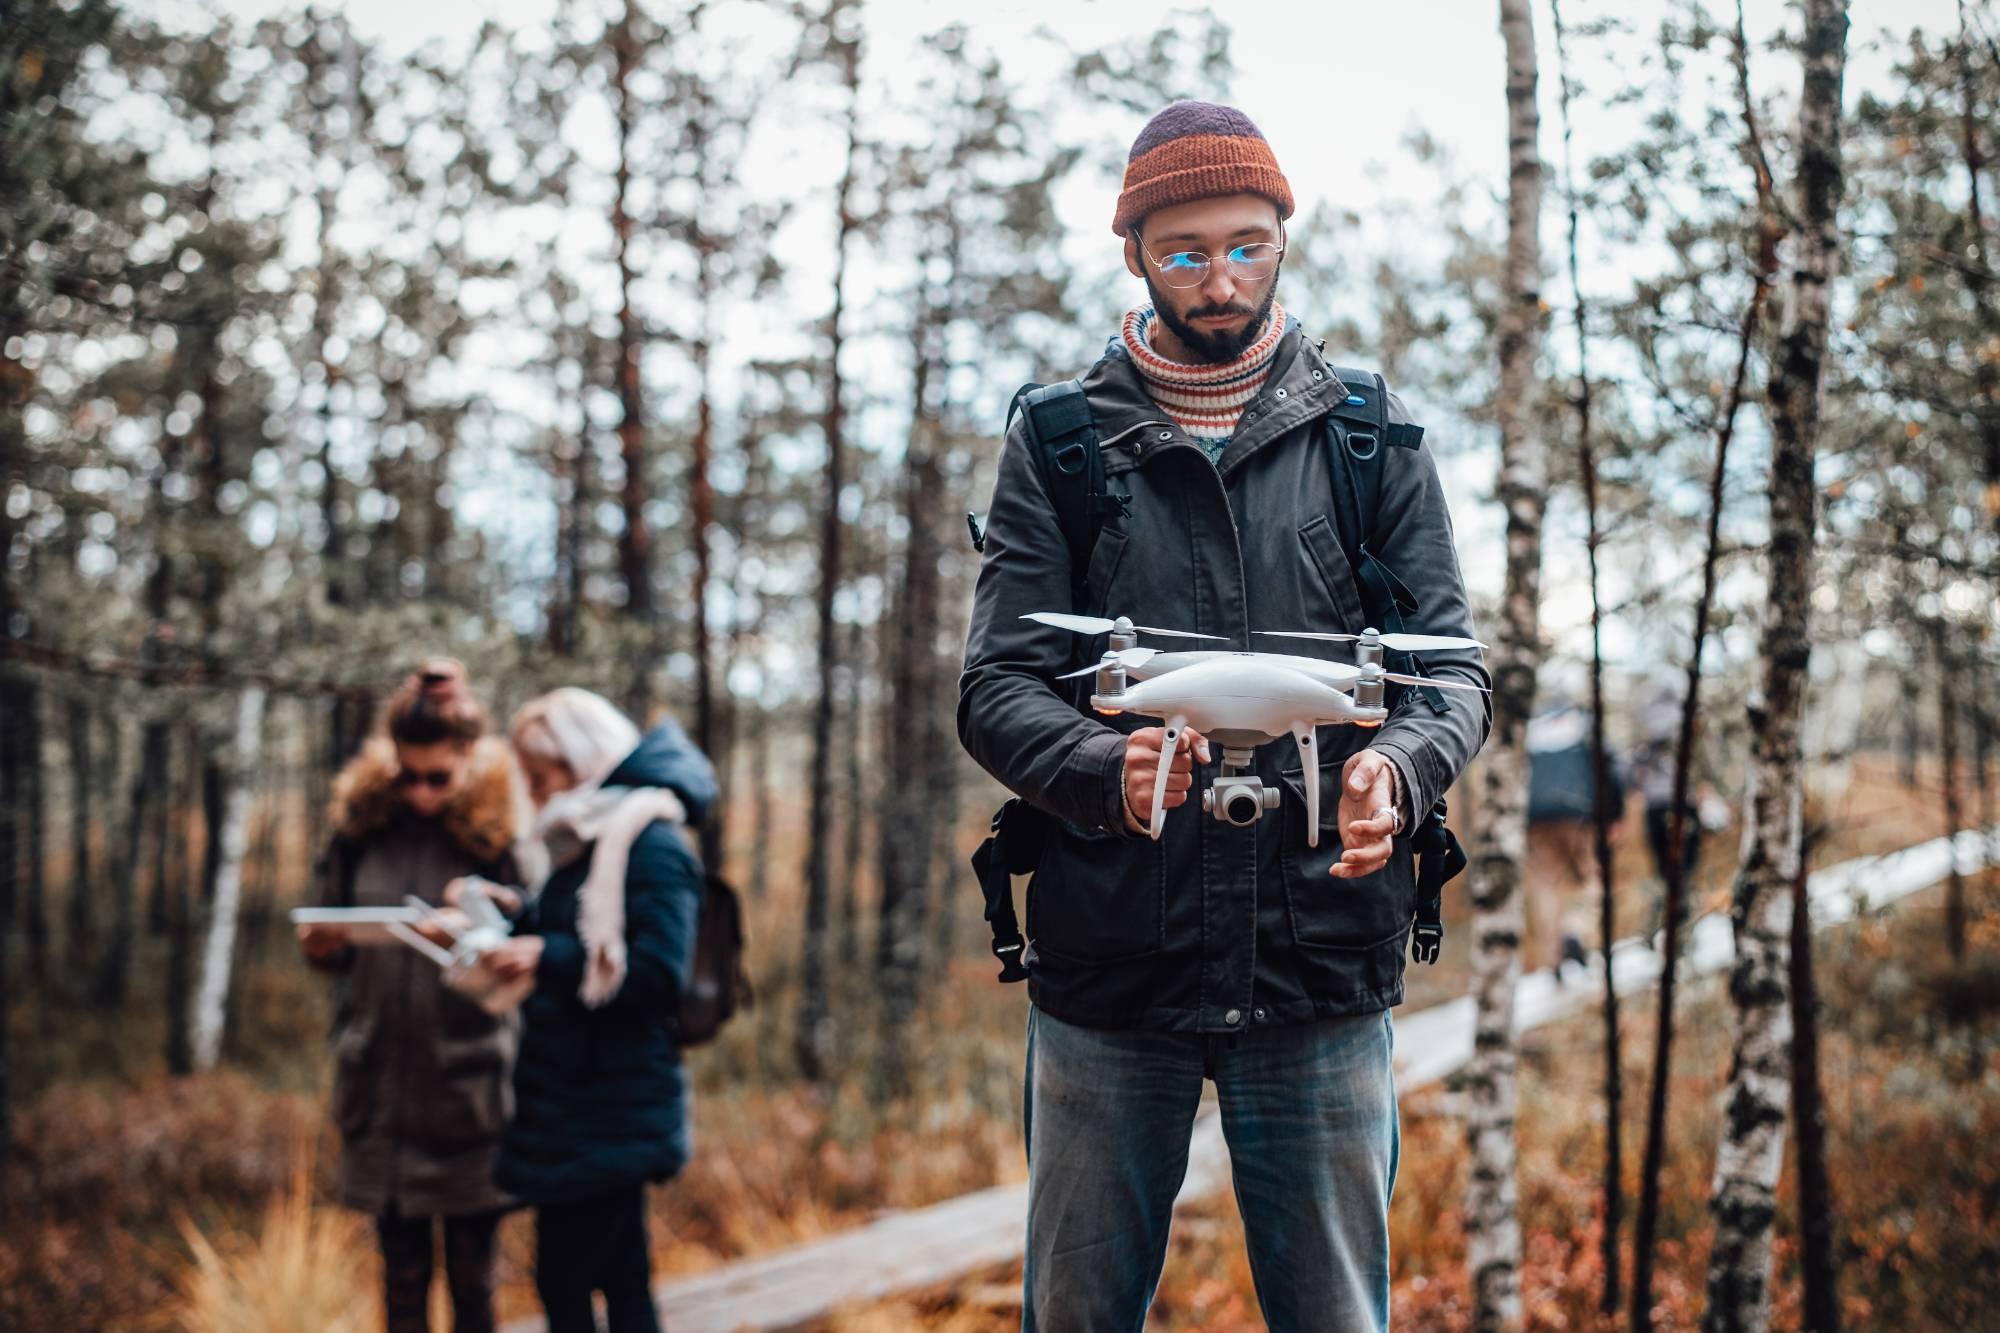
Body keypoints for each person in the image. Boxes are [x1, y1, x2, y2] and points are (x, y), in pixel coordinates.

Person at [958, 102, 1490, 1332]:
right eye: (1184, 251)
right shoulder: (1059, 438)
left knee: (1334, 1312)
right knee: (1079, 1312)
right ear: (1134, 252)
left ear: (1283, 238)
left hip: (1318, 958)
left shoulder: (1367, 432)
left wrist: (1398, 776)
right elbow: (995, 688)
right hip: (1110, 966)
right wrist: (1107, 768)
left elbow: (1451, 674)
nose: (1219, 277)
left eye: (1246, 244)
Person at [469, 688, 715, 1333]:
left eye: (541, 773)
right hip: (576, 1101)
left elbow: (659, 975)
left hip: (611, 1103)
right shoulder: (586, 839)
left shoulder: (652, 845)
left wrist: (541, 955)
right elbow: (577, 936)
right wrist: (507, 919)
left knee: (572, 1282)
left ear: (581, 760)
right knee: (617, 1277)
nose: (535, 788)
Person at [296, 660, 525, 1333]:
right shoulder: (358, 827)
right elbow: (327, 936)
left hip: (468, 1089)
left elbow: (532, 945)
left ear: (469, 761)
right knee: (399, 1281)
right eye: (408, 774)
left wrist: (473, 931)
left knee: (475, 1280)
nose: (421, 792)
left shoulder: (498, 837)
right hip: (380, 1087)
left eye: (438, 777)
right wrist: (322, 946)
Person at [1524, 692, 1626, 978]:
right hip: (1579, 815)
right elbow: (1610, 770)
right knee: (1592, 878)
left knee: (1547, 887)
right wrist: (1615, 814)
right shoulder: (1583, 725)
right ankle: (1575, 932)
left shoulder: (1532, 730)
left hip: (1536, 820)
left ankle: (1554, 958)